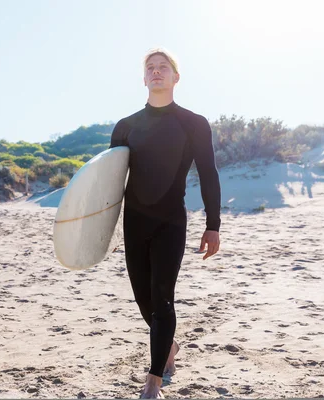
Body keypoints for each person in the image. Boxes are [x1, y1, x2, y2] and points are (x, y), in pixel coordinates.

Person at [109, 48, 221, 398]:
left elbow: (208, 174)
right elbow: (109, 185)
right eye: (150, 68)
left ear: (176, 77)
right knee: (144, 300)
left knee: (162, 298)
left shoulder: (193, 123)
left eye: (163, 67)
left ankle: (154, 380)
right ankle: (169, 347)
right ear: (144, 79)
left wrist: (213, 223)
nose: (156, 72)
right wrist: (101, 231)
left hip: (171, 221)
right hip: (134, 222)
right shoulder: (126, 127)